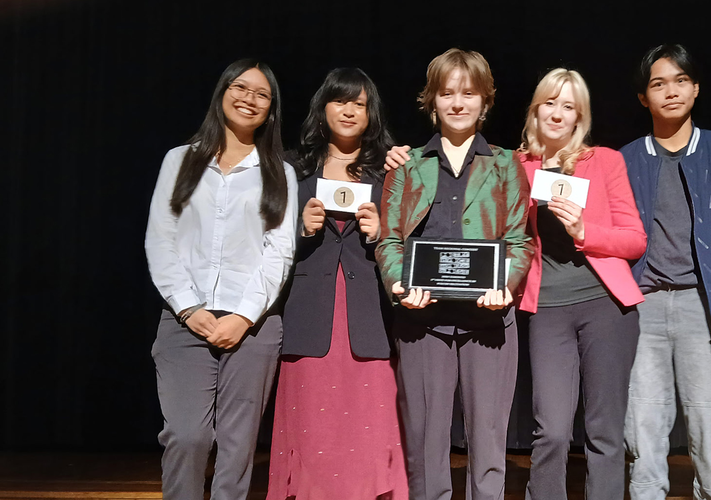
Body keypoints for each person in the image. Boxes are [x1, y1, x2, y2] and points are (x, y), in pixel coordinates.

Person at [374, 48, 533, 500]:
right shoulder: (407, 164)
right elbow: (389, 240)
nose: (458, 103)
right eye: (447, 93)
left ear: (485, 101)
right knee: (425, 447)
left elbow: (520, 240)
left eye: (469, 93)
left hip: (489, 320)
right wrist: (399, 283)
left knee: (488, 445)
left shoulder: (505, 165)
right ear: (432, 100)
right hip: (422, 321)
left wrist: (507, 285)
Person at [144, 59, 298, 500]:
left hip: (253, 326)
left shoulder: (279, 172)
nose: (249, 98)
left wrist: (244, 316)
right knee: (187, 436)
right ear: (222, 92)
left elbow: (279, 254)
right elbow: (161, 240)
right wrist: (189, 308)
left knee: (237, 447)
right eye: (240, 87)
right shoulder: (181, 160)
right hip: (183, 322)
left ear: (271, 109)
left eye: (261, 94)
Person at [265, 67, 408, 500]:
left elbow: (407, 240)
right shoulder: (291, 167)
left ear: (371, 114)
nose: (349, 110)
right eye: (340, 101)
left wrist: (381, 231)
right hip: (310, 318)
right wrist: (300, 230)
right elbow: (262, 241)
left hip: (369, 319)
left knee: (369, 427)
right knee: (312, 431)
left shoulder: (389, 172)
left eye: (360, 104)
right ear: (323, 107)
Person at [620, 44, 711, 500]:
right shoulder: (625, 160)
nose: (670, 91)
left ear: (696, 88)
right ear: (643, 97)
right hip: (643, 307)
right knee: (643, 423)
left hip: (704, 306)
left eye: (680, 80)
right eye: (658, 83)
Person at [513, 68, 646, 500]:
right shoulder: (515, 166)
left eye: (568, 106)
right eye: (550, 102)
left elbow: (634, 240)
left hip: (605, 306)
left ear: (579, 117)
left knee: (604, 431)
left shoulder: (605, 161)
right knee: (550, 429)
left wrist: (585, 231)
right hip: (548, 309)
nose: (557, 113)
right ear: (536, 109)